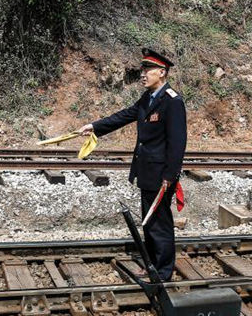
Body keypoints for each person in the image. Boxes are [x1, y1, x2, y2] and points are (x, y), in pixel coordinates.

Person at [77, 48, 187, 280]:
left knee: (160, 223)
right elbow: (125, 115)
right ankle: (152, 264)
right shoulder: (148, 98)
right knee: (149, 222)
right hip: (147, 171)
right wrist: (95, 126)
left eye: (148, 70)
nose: (143, 74)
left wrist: (170, 176)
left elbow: (177, 144)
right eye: (142, 69)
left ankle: (163, 271)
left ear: (162, 72)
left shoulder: (172, 102)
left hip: (161, 175)